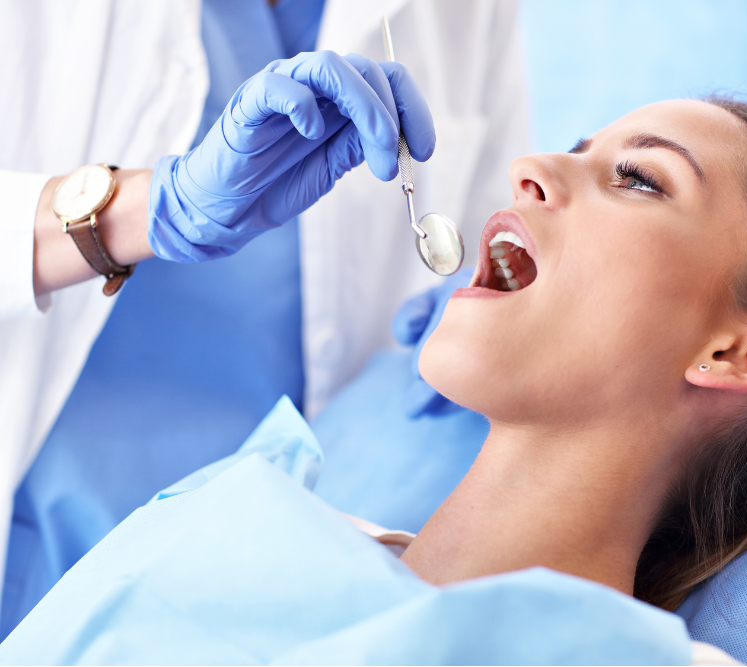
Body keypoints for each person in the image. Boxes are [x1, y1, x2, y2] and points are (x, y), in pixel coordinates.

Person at [2, 96, 747, 664]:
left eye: (639, 179)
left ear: (739, 352)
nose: (527, 168)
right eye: (572, 150)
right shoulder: (248, 506)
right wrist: (122, 215)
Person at [0, 0, 529, 637]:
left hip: (256, 603)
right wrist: (143, 210)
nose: (543, 174)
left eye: (635, 178)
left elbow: (482, 236)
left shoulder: (468, 14)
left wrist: (471, 304)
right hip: (36, 563)